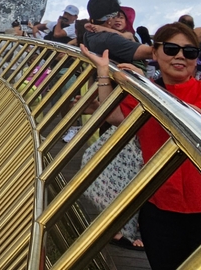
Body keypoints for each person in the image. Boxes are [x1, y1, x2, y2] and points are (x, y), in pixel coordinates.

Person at [81, 22, 201, 269]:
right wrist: (104, 72)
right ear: (154, 53)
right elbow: (114, 116)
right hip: (159, 207)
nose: (180, 56)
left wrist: (148, 88)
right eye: (171, 49)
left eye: (189, 52)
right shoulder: (146, 93)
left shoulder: (159, 93)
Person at [83, 0, 152, 63]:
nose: (117, 20)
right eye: (115, 16)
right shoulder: (110, 39)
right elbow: (151, 52)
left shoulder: (88, 34)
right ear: (109, 20)